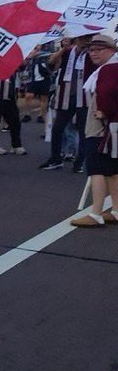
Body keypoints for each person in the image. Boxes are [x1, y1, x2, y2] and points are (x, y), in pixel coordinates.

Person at [72, 35, 118, 227]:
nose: (93, 53)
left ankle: (96, 213)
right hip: (113, 125)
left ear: (111, 50)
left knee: (96, 168)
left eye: (99, 49)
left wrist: (105, 112)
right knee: (113, 170)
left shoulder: (108, 69)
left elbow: (106, 93)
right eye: (91, 50)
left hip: (102, 125)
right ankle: (116, 210)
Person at [43, 36, 91, 172]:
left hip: (85, 97)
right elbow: (52, 65)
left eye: (88, 38)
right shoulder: (68, 52)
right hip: (66, 95)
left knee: (83, 132)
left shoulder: (92, 53)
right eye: (82, 38)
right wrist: (63, 49)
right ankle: (55, 158)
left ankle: (79, 162)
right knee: (57, 128)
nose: (85, 41)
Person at [0, 74, 26, 156]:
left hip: (9, 91)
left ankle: (16, 145)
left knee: (14, 119)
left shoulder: (10, 61)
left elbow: (21, 66)